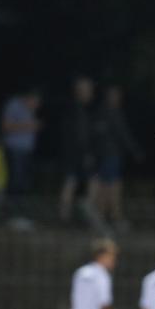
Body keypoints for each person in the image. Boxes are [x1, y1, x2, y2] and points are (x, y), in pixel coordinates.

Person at [93, 85, 142, 229]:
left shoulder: (102, 112)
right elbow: (123, 134)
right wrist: (134, 150)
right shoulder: (111, 112)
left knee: (107, 185)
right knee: (112, 185)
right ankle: (114, 217)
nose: (118, 99)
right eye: (115, 95)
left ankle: (103, 217)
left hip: (106, 154)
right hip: (109, 154)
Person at [59, 76, 98, 223]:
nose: (90, 93)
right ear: (80, 91)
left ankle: (67, 216)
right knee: (75, 183)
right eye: (87, 90)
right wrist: (87, 153)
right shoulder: (77, 109)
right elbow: (80, 135)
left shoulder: (77, 108)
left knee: (72, 183)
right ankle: (72, 216)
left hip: (72, 153)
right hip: (77, 154)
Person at [2, 87, 43, 197]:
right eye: (35, 102)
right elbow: (6, 126)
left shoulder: (31, 110)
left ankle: (21, 209)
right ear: (29, 98)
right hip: (15, 150)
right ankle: (12, 209)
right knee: (15, 181)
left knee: (25, 182)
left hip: (27, 151)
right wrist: (30, 126)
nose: (36, 105)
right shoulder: (14, 105)